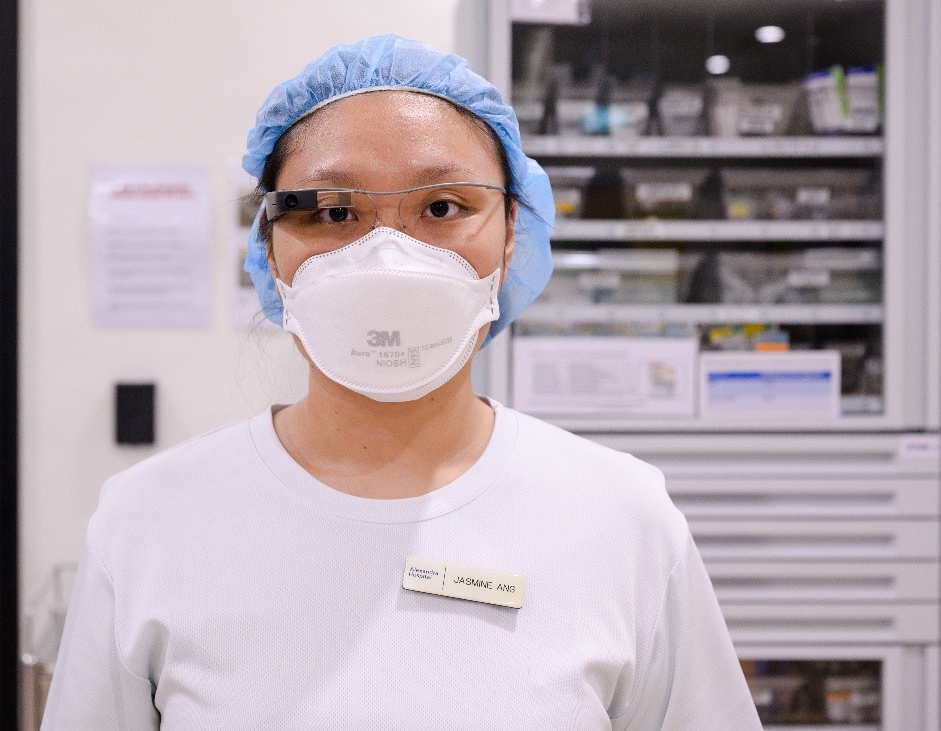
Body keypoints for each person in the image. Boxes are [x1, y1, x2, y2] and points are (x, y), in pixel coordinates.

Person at [42, 35, 761, 729]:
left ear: (511, 232)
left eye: (442, 207)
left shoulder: (622, 517)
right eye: (331, 211)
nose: (387, 257)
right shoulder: (149, 523)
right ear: (267, 244)